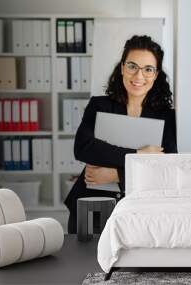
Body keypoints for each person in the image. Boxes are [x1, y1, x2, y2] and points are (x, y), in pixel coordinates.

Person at [64, 35, 177, 233]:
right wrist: (138, 155)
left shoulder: (167, 117)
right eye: (132, 66)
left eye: (148, 69)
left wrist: (117, 174)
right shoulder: (99, 105)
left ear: (156, 74)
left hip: (140, 211)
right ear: (123, 67)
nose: (139, 76)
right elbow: (83, 148)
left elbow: (166, 170)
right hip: (91, 205)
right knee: (83, 261)